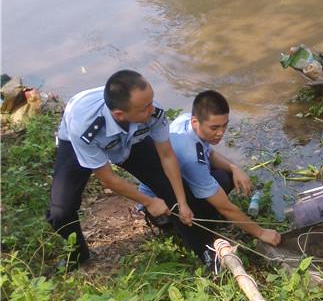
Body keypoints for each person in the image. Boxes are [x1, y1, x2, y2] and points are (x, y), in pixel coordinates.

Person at [47, 70, 214, 268]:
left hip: (131, 138)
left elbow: (167, 156)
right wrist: (148, 201)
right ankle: (78, 254)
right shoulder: (84, 126)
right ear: (120, 114)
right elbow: (108, 178)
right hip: (82, 145)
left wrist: (182, 201)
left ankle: (206, 251)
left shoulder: (151, 112)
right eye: (145, 107)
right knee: (60, 212)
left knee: (171, 188)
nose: (152, 110)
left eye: (152, 101)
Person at [140, 90, 281, 248]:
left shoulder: (186, 121)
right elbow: (225, 207)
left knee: (227, 174)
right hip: (163, 212)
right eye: (214, 128)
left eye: (224, 125)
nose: (220, 133)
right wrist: (261, 232)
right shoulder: (190, 158)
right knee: (222, 185)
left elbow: (209, 153)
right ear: (195, 122)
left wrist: (235, 168)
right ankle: (183, 227)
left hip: (171, 187)